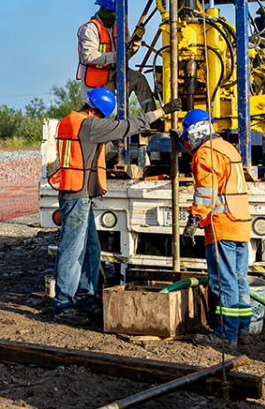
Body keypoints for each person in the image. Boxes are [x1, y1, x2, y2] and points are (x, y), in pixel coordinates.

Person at [48, 88, 180, 324]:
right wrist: (162, 111)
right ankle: (63, 305)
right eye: (101, 116)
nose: (102, 122)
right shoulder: (88, 125)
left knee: (91, 249)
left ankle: (87, 299)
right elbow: (127, 126)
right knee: (72, 250)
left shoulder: (70, 121)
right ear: (93, 111)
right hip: (76, 197)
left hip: (78, 194)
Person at [180, 109, 253, 350]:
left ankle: (225, 334)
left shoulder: (204, 154)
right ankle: (243, 331)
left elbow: (206, 193)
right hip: (241, 222)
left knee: (224, 281)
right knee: (240, 280)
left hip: (222, 224)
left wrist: (193, 222)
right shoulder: (227, 147)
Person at [77, 0, 157, 112]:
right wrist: (117, 56)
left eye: (116, 11)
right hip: (97, 79)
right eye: (111, 11)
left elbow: (127, 53)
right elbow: (90, 56)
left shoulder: (119, 26)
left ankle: (153, 117)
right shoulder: (90, 29)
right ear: (102, 9)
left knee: (138, 79)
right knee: (98, 115)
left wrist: (136, 40)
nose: (114, 14)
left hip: (116, 72)